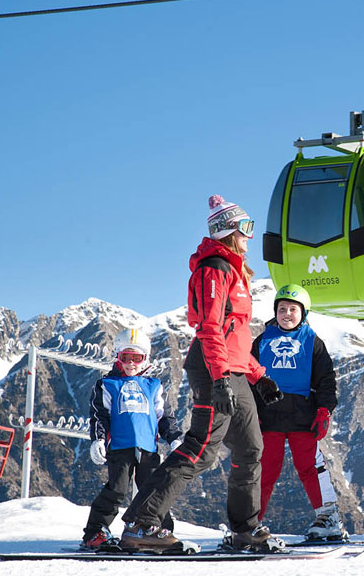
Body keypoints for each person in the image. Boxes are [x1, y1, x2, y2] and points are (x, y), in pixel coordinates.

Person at [120, 195, 284, 552]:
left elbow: (235, 335)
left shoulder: (235, 269)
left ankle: (245, 529)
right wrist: (221, 378)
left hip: (235, 370)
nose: (250, 237)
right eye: (246, 229)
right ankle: (141, 525)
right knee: (201, 450)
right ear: (229, 230)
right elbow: (210, 328)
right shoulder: (215, 268)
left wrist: (259, 376)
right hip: (214, 370)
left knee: (251, 448)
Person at [251, 283, 346, 541]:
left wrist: (324, 411)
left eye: (293, 309)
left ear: (303, 313)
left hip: (303, 417)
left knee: (310, 468)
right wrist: (251, 412)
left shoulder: (312, 341)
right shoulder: (262, 340)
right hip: (268, 417)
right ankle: (251, 521)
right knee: (265, 469)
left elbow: (326, 380)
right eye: (282, 309)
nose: (287, 314)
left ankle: (328, 517)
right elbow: (248, 378)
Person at [81, 328, 183, 549]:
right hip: (120, 447)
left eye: (136, 358)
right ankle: (95, 532)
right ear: (118, 357)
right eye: (125, 357)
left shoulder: (153, 385)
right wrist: (98, 439)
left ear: (145, 358)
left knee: (153, 489)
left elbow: (164, 416)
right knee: (117, 489)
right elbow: (99, 415)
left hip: (148, 447)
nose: (130, 363)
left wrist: (174, 438)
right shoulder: (107, 384)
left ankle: (157, 530)